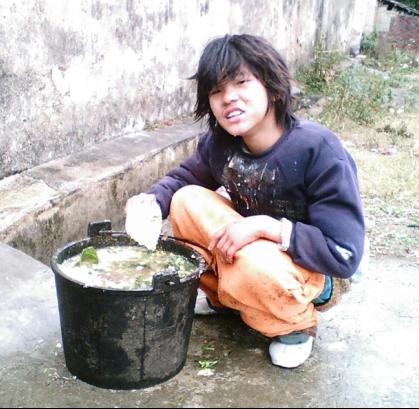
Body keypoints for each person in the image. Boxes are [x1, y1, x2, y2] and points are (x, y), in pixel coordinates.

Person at [125, 34, 365, 368]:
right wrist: (151, 201)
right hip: (253, 251)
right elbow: (183, 179)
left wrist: (267, 227)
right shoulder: (220, 144)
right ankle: (225, 299)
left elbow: (343, 254)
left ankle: (294, 325)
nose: (228, 98)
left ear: (272, 86)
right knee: (186, 200)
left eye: (241, 82)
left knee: (253, 262)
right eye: (216, 90)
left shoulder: (318, 150)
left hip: (314, 271)